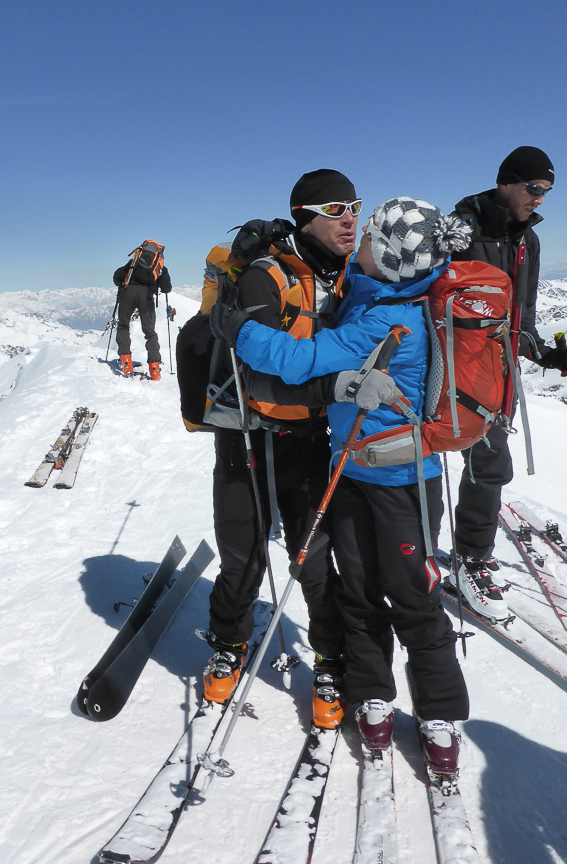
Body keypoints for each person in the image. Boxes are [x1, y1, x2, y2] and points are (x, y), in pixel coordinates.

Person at [216, 197, 472, 772]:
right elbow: (344, 281)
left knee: (411, 593)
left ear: (389, 256)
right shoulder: (383, 291)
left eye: (370, 235)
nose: (358, 239)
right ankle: (373, 692)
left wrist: (239, 329)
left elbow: (297, 359)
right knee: (357, 587)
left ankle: (438, 713)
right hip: (354, 471)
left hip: (400, 482)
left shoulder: (389, 319)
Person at [203, 168, 360, 730]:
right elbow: (262, 380)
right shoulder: (264, 277)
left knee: (312, 559)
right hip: (246, 435)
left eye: (354, 206)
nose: (349, 218)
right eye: (335, 209)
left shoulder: (350, 276)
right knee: (243, 552)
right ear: (304, 218)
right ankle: (229, 642)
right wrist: (337, 389)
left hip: (308, 438)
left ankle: (330, 659)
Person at [448, 146, 567, 619]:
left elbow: (522, 314)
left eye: (547, 191)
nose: (540, 199)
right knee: (426, 459)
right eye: (535, 188)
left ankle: (470, 556)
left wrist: (542, 352)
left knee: (489, 464)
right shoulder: (460, 230)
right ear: (506, 182)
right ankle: (414, 553)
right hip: (451, 367)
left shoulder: (528, 242)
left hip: (499, 371)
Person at [112, 244, 172, 381]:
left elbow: (117, 277)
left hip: (128, 292)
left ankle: (126, 362)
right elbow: (166, 288)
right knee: (150, 332)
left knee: (123, 326)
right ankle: (154, 368)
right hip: (146, 296)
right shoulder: (160, 266)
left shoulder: (134, 261)